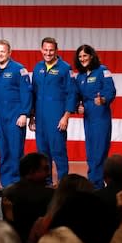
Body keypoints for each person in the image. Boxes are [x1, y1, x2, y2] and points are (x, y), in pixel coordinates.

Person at [0, 39, 32, 193]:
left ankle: (18, 184)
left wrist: (24, 114)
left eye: (2, 51)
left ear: (9, 53)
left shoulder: (19, 70)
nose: (0, 54)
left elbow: (26, 93)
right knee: (3, 150)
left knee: (16, 151)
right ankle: (6, 185)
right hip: (1, 117)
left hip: (15, 116)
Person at [29, 37, 76, 184]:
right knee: (42, 154)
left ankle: (63, 184)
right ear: (41, 50)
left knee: (59, 152)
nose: (48, 53)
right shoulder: (38, 68)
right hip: (40, 118)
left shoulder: (65, 68)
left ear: (56, 50)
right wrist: (32, 117)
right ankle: (46, 183)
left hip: (56, 117)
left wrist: (66, 117)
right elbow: (33, 93)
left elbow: (71, 93)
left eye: (51, 50)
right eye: (45, 50)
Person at [74, 44, 116, 189]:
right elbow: (77, 96)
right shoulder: (79, 76)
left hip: (100, 115)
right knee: (91, 152)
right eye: (80, 56)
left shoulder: (102, 71)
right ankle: (93, 180)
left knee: (99, 150)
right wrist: (78, 106)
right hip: (88, 117)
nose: (82, 59)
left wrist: (103, 100)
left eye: (85, 55)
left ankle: (96, 184)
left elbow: (111, 91)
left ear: (91, 56)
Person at [0, 152, 54, 243]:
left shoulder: (7, 192)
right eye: (45, 169)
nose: (49, 173)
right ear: (32, 172)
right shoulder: (50, 195)